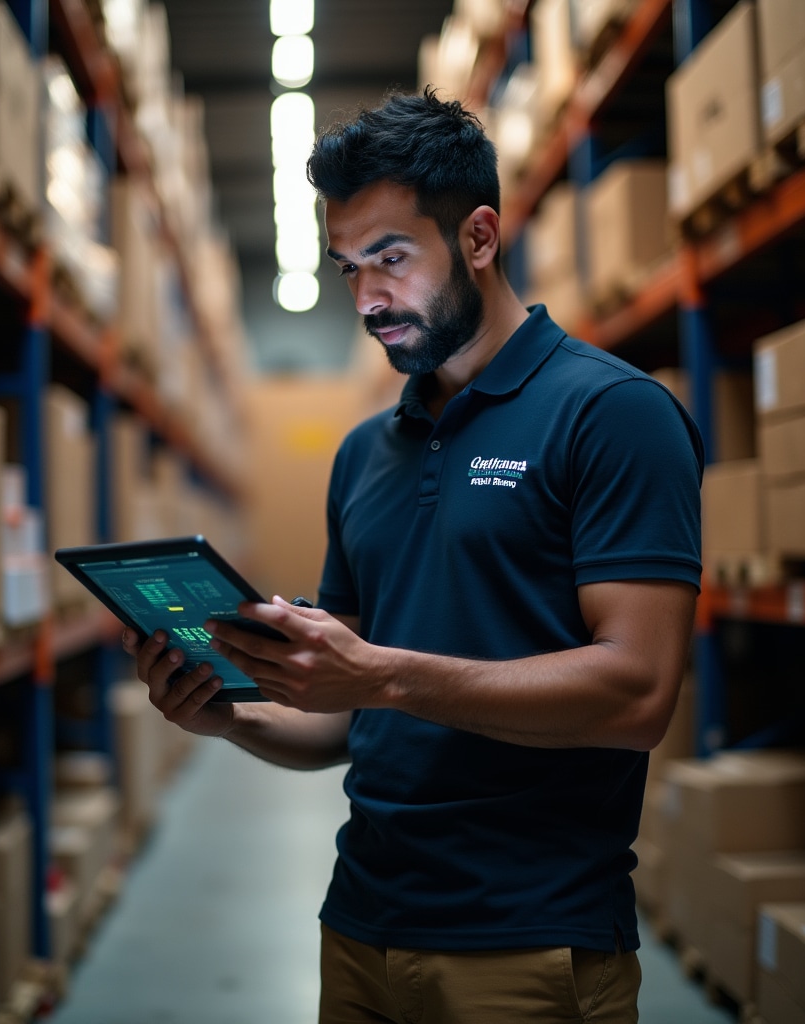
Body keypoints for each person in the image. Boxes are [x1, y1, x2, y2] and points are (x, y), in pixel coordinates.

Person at [123, 87, 703, 1023]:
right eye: (348, 268)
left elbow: (638, 695)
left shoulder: (613, 415)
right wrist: (229, 717)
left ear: (478, 238)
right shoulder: (365, 454)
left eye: (391, 259)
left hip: (528, 943)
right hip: (359, 930)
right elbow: (342, 716)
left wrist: (385, 676)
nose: (368, 299)